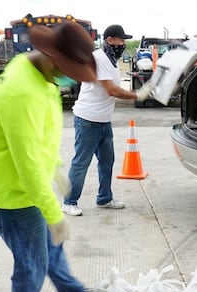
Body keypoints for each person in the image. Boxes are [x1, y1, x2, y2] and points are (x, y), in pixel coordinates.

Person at [0, 21, 95, 292]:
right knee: (32, 263)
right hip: (11, 196)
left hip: (21, 186)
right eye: (70, 71)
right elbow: (27, 165)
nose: (70, 80)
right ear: (54, 59)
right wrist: (54, 212)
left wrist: (56, 168)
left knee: (49, 249)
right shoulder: (22, 92)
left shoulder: (35, 71)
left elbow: (40, 140)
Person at [61, 24, 153, 216]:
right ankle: (69, 201)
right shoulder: (99, 58)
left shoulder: (112, 61)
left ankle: (104, 198)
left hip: (103, 120)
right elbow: (111, 90)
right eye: (121, 40)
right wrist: (136, 95)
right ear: (110, 40)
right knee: (81, 162)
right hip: (88, 119)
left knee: (106, 161)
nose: (124, 44)